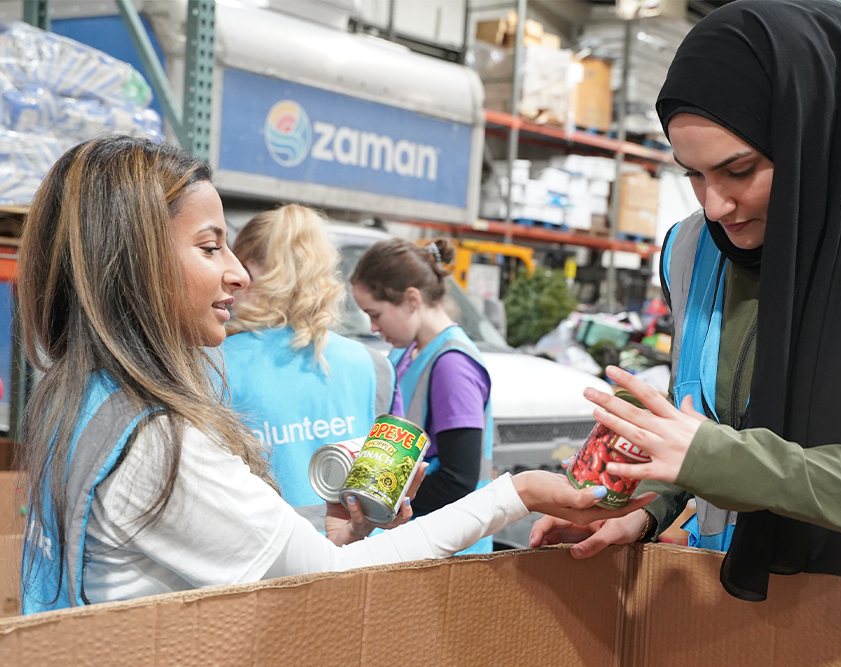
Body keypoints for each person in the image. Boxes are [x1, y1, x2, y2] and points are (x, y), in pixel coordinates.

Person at [17, 135, 654, 614]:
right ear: (134, 263)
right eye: (210, 247)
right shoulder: (157, 440)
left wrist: (325, 531)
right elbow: (323, 575)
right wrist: (518, 494)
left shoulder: (79, 400)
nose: (236, 274)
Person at [531, 0, 841, 601]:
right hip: (739, 606)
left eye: (739, 170)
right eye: (693, 175)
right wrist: (647, 510)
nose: (715, 205)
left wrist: (717, 462)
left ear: (814, 139)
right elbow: (708, 429)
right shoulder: (693, 249)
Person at [221, 204, 401, 531]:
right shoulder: (374, 366)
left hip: (263, 565)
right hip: (359, 560)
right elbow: (388, 492)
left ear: (251, 271)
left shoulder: (212, 362)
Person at [350, 239, 494, 553]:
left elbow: (459, 478)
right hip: (424, 537)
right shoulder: (409, 352)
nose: (373, 327)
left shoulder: (452, 365)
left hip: (451, 546)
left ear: (412, 299)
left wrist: (381, 502)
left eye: (376, 314)